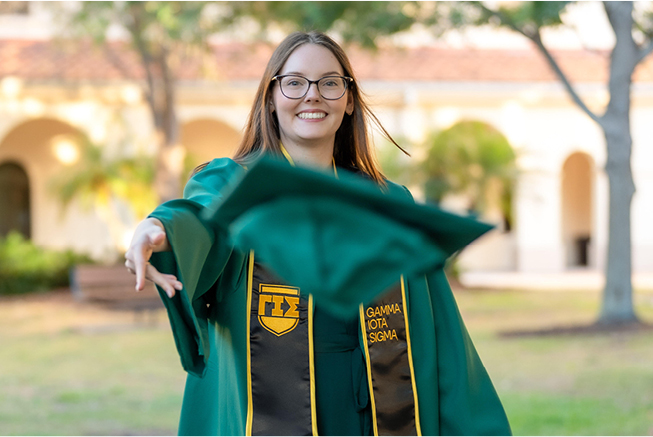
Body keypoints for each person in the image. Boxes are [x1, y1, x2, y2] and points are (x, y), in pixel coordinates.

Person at [125, 31, 511, 436]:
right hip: (269, 409)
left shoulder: (384, 201)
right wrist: (158, 229)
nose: (313, 95)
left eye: (330, 83)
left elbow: (439, 335)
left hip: (374, 409)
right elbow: (199, 218)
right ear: (270, 100)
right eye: (294, 82)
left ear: (348, 102)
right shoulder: (233, 183)